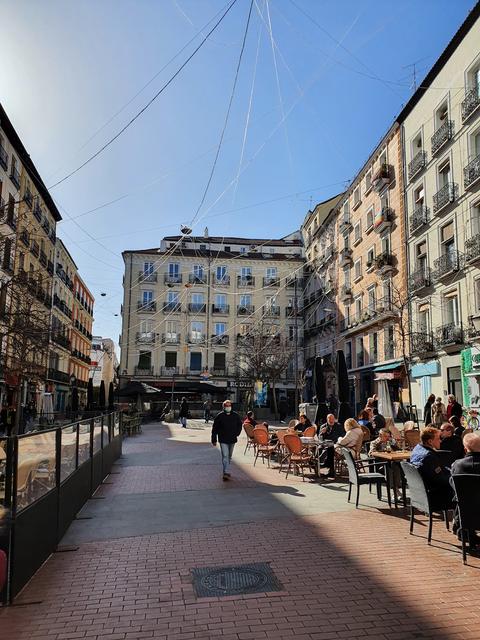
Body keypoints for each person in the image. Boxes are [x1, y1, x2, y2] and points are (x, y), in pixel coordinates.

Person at [410, 426, 453, 510]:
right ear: (430, 441)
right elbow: (441, 479)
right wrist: (455, 477)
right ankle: (460, 521)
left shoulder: (417, 449)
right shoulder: (429, 456)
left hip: (419, 495)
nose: (440, 441)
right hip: (433, 497)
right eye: (438, 439)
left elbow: (438, 471)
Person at [450, 432, 480, 549]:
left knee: (461, 497)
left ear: (465, 449)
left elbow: (453, 486)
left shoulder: (457, 465)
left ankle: (462, 529)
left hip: (466, 514)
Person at [211, 400, 243, 481]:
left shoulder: (235, 415)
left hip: (232, 439)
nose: (228, 407)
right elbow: (214, 429)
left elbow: (240, 425)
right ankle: (225, 472)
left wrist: (237, 433)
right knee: (225, 456)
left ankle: (226, 470)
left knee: (229, 456)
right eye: (226, 405)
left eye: (229, 405)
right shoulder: (220, 416)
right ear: (223, 407)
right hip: (223, 439)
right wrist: (214, 440)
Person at [318, 414, 345, 479]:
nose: (331, 420)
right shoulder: (323, 426)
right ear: (327, 419)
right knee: (318, 448)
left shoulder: (338, 426)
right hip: (325, 444)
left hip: (335, 444)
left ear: (334, 419)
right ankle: (318, 463)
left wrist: (337, 439)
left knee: (329, 450)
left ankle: (322, 463)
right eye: (329, 419)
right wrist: (322, 433)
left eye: (332, 419)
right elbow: (320, 438)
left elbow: (342, 435)